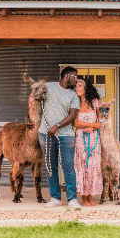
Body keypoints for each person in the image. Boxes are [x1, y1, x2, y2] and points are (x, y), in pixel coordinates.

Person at [39, 66, 81, 209]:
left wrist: (57, 126)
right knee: (51, 166)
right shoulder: (49, 87)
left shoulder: (74, 95)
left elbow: (73, 115)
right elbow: (34, 97)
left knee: (68, 166)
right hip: (45, 133)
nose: (77, 80)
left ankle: (72, 199)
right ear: (67, 76)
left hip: (66, 135)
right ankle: (55, 198)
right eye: (75, 77)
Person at [73, 79, 104, 207]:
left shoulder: (95, 102)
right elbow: (75, 123)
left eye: (80, 85)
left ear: (87, 88)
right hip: (81, 139)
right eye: (76, 86)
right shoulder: (75, 103)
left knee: (92, 166)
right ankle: (84, 198)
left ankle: (91, 196)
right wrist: (91, 125)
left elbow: (100, 122)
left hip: (94, 139)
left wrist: (93, 127)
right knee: (82, 166)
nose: (77, 88)